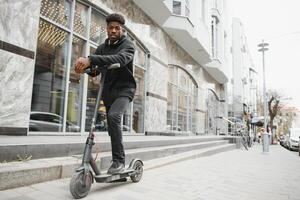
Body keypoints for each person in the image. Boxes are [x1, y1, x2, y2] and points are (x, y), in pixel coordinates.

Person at [74, 13, 136, 174]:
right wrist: (84, 69)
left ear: (122, 30)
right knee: (111, 126)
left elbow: (120, 59)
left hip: (124, 90)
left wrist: (91, 59)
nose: (114, 30)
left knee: (114, 117)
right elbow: (96, 70)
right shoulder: (102, 48)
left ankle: (119, 161)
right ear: (107, 29)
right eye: (111, 28)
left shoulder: (128, 46)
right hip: (108, 92)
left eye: (117, 28)